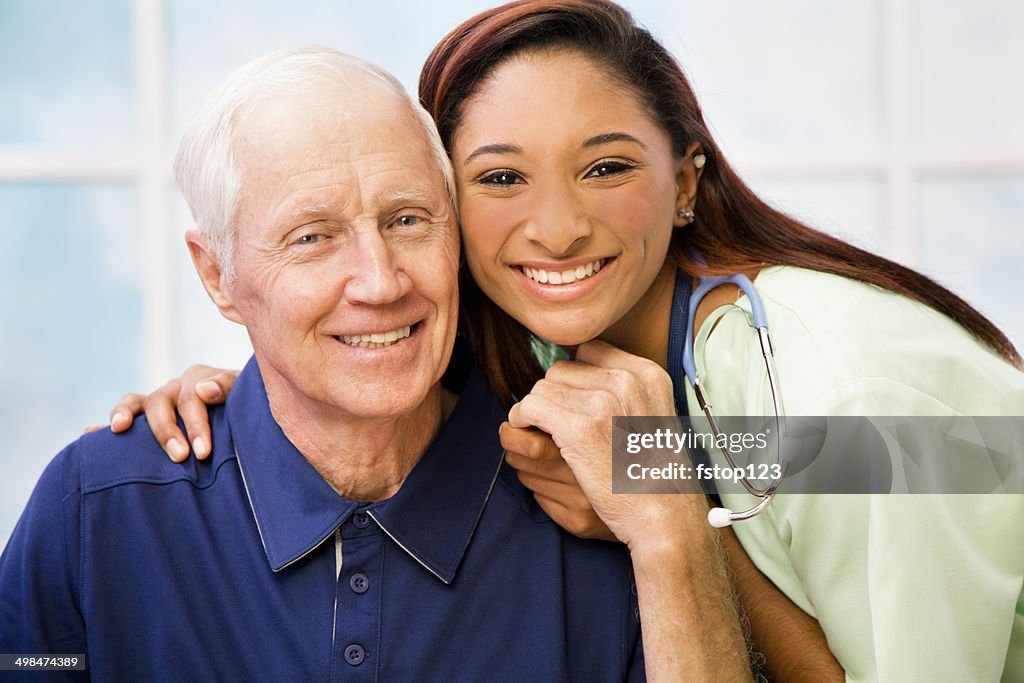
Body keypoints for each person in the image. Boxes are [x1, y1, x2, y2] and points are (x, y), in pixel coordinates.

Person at [106, 0, 1024, 680]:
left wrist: (660, 502)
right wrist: (248, 395)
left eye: (607, 167)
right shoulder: (548, 347)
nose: (556, 227)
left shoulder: (856, 396)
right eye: (501, 176)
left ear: (688, 180)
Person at [0, 44, 691, 681]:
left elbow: (788, 460)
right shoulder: (94, 507)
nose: (381, 281)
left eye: (407, 219)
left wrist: (673, 514)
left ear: (687, 181)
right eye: (312, 237)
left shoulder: (628, 457)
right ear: (218, 275)